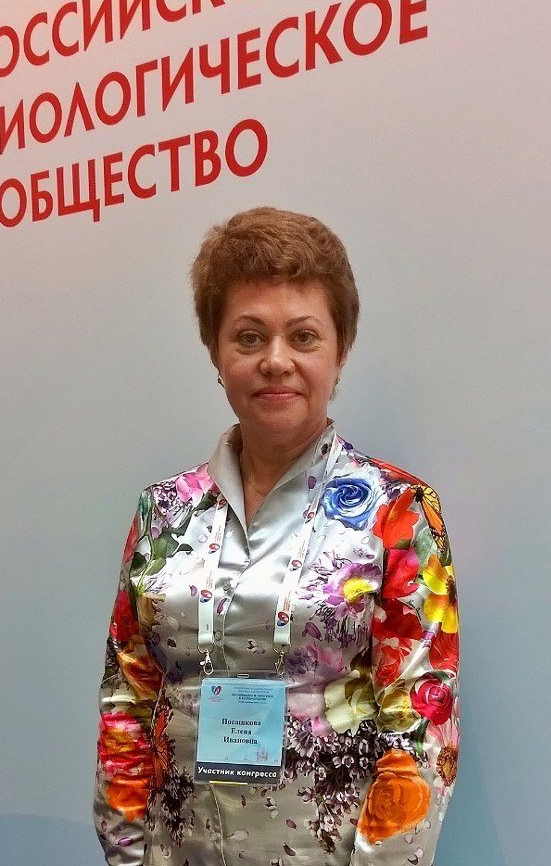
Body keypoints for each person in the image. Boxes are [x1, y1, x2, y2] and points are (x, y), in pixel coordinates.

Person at [93, 207, 460, 865]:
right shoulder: (162, 513)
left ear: (340, 351)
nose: (275, 361)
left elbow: (420, 729)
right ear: (215, 352)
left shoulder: (397, 511)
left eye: (303, 336)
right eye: (249, 337)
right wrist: (126, 856)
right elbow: (128, 698)